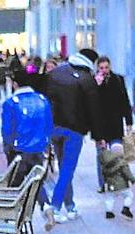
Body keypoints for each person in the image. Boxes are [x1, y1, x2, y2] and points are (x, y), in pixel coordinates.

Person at [37, 52, 94, 222]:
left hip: (55, 129)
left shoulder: (53, 80)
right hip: (73, 130)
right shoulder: (81, 81)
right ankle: (55, 207)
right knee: (67, 169)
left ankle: (70, 205)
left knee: (64, 169)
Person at [1, 75, 55, 228]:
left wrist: (8, 148)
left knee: (15, 185)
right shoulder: (42, 101)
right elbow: (49, 125)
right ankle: (47, 207)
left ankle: (15, 219)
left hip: (18, 150)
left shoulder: (11, 103)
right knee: (36, 182)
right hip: (38, 148)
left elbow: (7, 130)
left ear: (15, 84)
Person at [86, 55, 132, 192]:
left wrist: (129, 121)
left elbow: (125, 101)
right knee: (101, 155)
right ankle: (103, 184)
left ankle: (118, 181)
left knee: (117, 154)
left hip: (115, 123)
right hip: (99, 125)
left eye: (106, 67)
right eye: (101, 68)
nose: (104, 70)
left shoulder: (118, 79)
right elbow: (90, 104)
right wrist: (97, 86)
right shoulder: (92, 82)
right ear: (97, 68)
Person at [98, 141, 135, 220]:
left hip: (110, 185)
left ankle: (109, 212)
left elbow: (103, 173)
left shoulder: (106, 163)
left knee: (110, 198)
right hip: (122, 185)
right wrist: (132, 180)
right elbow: (127, 173)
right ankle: (126, 208)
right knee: (129, 195)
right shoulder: (122, 162)